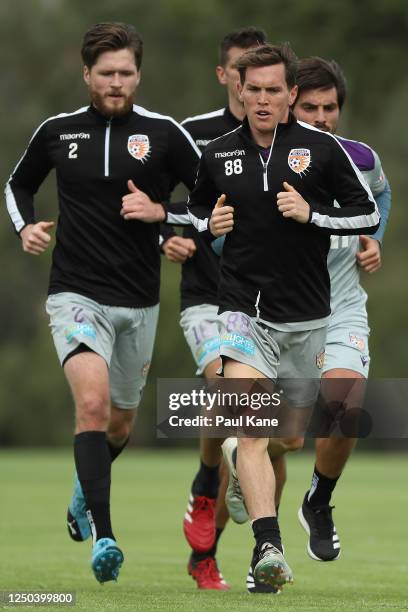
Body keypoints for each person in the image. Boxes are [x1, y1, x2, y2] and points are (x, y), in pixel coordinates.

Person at [5, 22, 200, 584]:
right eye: (107, 73)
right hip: (75, 294)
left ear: (139, 74)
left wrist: (163, 216)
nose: (118, 83)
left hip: (137, 301)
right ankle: (105, 535)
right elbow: (18, 185)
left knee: (118, 425)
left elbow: (211, 196)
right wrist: (25, 229)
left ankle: (81, 491)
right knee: (90, 407)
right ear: (87, 74)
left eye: (127, 73)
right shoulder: (57, 131)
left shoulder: (163, 134)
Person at [187, 43, 380, 590]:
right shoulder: (219, 152)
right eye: (256, 90)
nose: (265, 99)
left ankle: (259, 495)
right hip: (243, 313)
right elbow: (198, 206)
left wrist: (312, 213)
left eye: (276, 90)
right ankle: (267, 547)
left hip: (307, 317)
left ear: (291, 94)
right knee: (251, 431)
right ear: (240, 91)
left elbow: (365, 210)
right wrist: (210, 224)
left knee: (288, 440)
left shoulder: (320, 149)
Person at [162, 27, 284, 593]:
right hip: (208, 300)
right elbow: (168, 203)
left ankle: (208, 493)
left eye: (263, 81)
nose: (251, 89)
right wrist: (170, 232)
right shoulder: (196, 136)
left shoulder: (289, 141)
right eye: (241, 75)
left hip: (267, 305)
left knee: (268, 437)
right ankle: (217, 488)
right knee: (229, 400)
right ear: (226, 76)